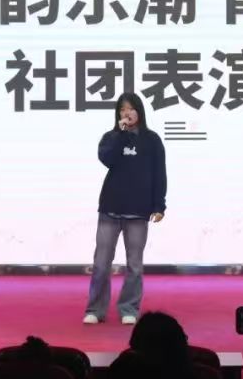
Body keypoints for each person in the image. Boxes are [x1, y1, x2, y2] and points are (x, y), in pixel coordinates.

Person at [84, 92, 167, 326]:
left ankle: (129, 308)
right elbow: (107, 160)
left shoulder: (152, 140)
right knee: (101, 263)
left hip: (138, 211)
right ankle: (95, 309)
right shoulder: (111, 137)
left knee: (135, 265)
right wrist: (120, 135)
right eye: (122, 109)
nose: (126, 113)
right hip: (110, 209)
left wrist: (159, 205)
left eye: (130, 108)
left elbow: (159, 173)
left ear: (139, 111)